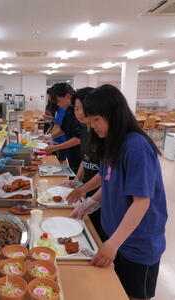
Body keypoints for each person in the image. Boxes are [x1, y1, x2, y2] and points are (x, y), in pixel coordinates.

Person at [70, 84, 167, 300]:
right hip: (117, 236)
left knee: (133, 295)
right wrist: (85, 207)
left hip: (137, 244)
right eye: (90, 119)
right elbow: (108, 183)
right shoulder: (112, 142)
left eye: (97, 119)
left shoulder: (136, 147)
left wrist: (113, 243)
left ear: (114, 115)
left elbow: (141, 202)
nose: (92, 125)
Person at [61, 87, 104, 239]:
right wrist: (76, 181)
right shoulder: (86, 131)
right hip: (89, 194)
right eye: (76, 108)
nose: (79, 113)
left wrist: (82, 190)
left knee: (96, 233)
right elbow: (85, 160)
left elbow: (105, 176)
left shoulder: (102, 134)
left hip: (99, 196)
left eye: (82, 108)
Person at [43, 83, 87, 174]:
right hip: (71, 154)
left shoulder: (78, 113)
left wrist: (55, 147)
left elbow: (78, 138)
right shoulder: (68, 110)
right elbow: (63, 129)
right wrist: (49, 136)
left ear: (67, 96)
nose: (58, 105)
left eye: (59, 101)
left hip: (80, 153)